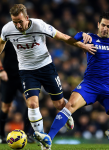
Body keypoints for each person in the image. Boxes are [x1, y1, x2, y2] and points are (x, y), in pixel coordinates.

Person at [33, 11, 109, 150]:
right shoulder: (90, 38)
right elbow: (74, 39)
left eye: (108, 26)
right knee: (69, 106)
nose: (105, 28)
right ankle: (48, 139)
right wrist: (81, 34)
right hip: (90, 85)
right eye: (103, 25)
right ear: (98, 24)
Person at [0, 4, 96, 149]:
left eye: (20, 21)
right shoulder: (7, 29)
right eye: (15, 22)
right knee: (32, 104)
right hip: (27, 71)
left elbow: (63, 37)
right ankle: (42, 140)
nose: (18, 25)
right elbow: (1, 42)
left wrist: (83, 46)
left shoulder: (39, 25)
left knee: (59, 105)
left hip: (46, 68)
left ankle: (66, 113)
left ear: (27, 17)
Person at [0, 41, 35, 144]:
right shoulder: (7, 38)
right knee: (6, 107)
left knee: (31, 103)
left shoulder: (29, 37)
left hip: (24, 76)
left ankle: (27, 134)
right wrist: (1, 70)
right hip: (8, 77)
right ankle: (1, 135)